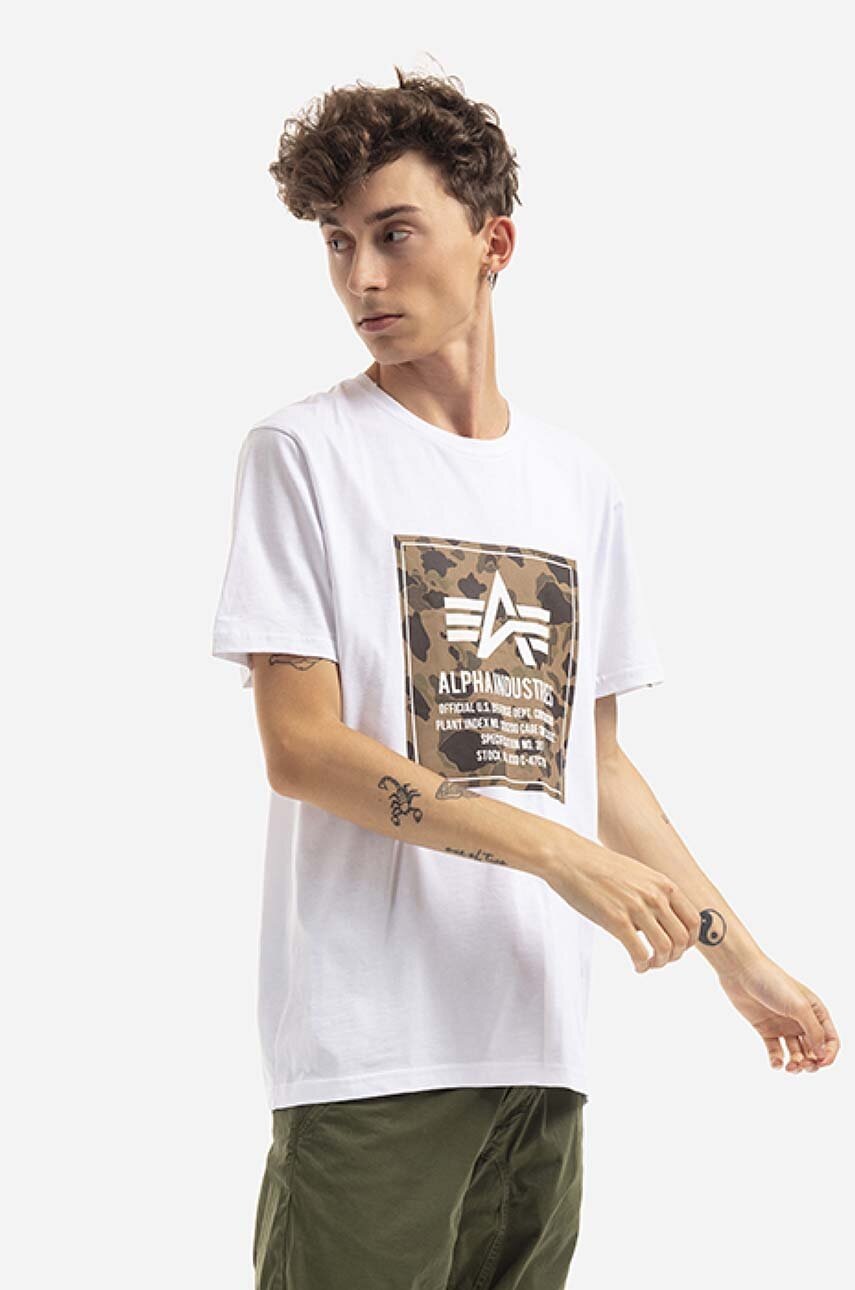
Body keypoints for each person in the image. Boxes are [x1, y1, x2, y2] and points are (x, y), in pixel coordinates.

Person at [211, 65, 840, 1290]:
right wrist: (552, 854)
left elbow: (594, 771)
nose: (362, 277)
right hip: (375, 1055)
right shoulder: (304, 454)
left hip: (543, 1052)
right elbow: (301, 749)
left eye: (394, 234)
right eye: (338, 243)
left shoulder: (575, 485)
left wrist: (737, 957)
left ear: (494, 243)